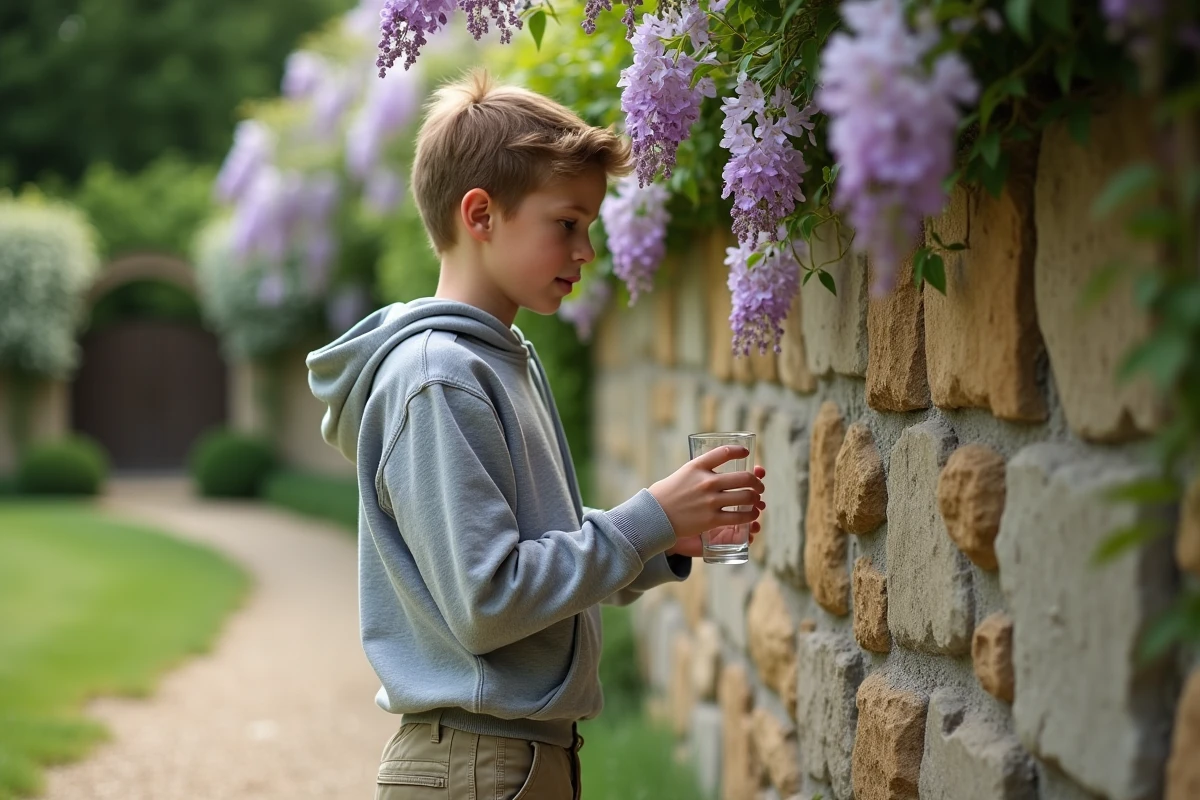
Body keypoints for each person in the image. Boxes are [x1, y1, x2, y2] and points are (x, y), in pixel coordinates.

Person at [307, 68, 766, 799]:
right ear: (480, 215)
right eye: (568, 224)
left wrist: (659, 542)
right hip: (479, 765)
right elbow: (489, 602)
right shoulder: (440, 379)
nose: (588, 250)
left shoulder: (500, 360)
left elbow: (528, 549)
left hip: (513, 758)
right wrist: (644, 518)